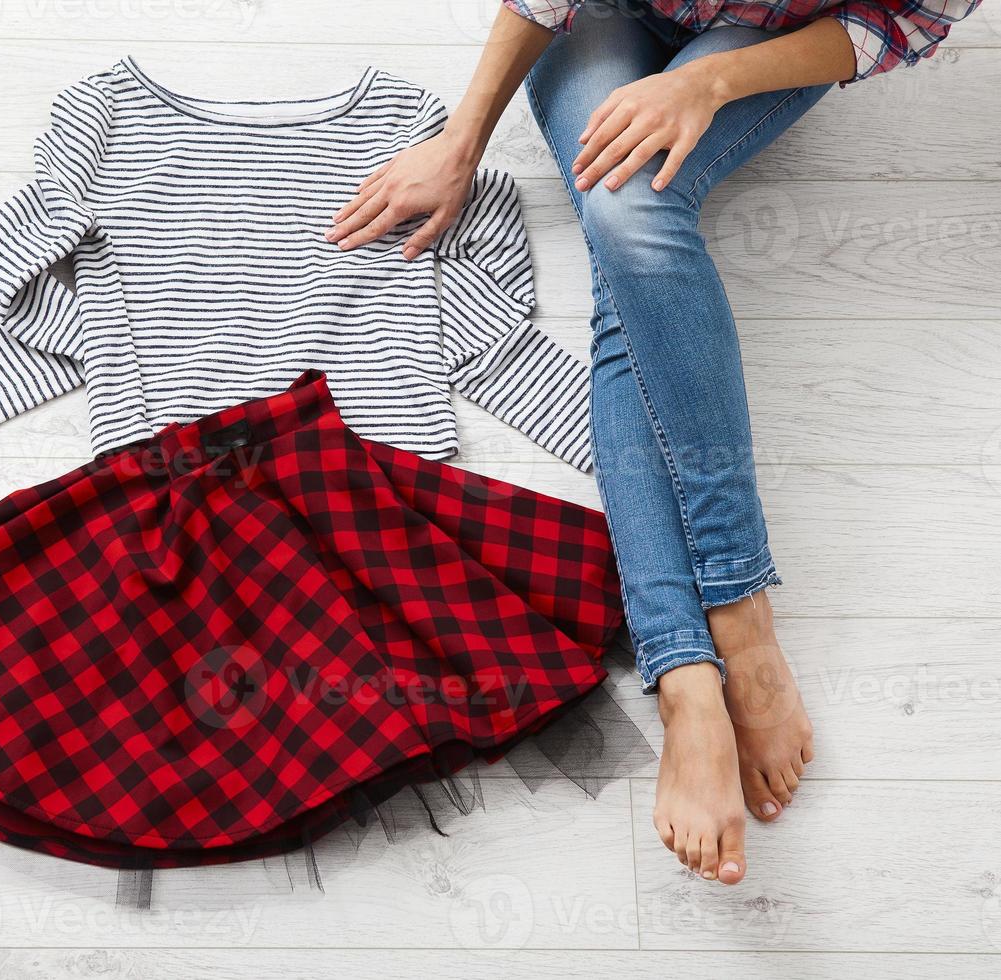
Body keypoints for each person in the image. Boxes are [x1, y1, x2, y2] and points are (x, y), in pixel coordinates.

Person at [328, 0, 981, 884]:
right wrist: (460, 145)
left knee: (629, 223)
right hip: (598, 16)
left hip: (764, 36)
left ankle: (707, 650)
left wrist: (705, 82)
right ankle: (703, 667)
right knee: (627, 226)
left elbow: (893, 22)